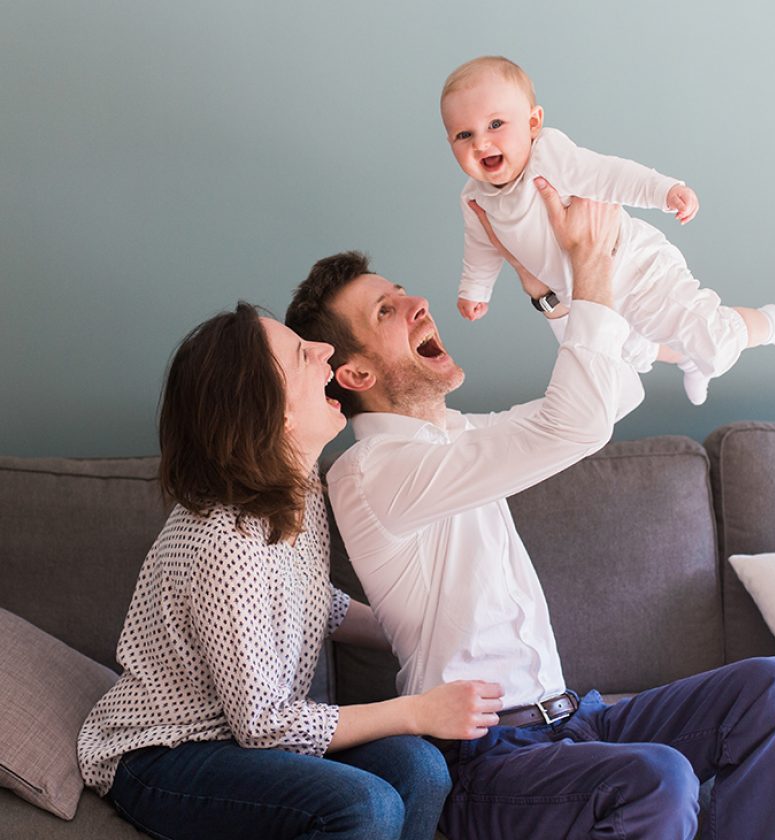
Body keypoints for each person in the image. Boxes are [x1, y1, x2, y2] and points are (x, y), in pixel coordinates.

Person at [285, 184, 775, 840]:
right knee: (657, 779)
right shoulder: (374, 473)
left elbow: (613, 395)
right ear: (355, 375)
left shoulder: (461, 436)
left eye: (404, 291)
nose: (418, 303)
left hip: (574, 721)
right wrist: (588, 266)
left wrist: (546, 290)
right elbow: (575, 426)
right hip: (485, 759)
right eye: (388, 310)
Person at [77, 302, 506, 840]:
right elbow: (265, 726)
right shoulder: (222, 544)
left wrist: (421, 628)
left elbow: (312, 602)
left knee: (418, 767)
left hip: (241, 738)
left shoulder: (300, 488)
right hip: (167, 754)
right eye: (305, 354)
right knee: (365, 806)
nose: (325, 349)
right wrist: (416, 711)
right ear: (271, 410)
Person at [441, 54, 775, 405]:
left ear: (533, 123)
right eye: (463, 134)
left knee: (713, 342)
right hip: (586, 295)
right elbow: (481, 247)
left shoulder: (549, 158)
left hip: (635, 270)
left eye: (495, 125)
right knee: (636, 355)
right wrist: (475, 290)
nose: (480, 143)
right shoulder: (474, 198)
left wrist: (664, 191)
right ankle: (691, 362)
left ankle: (771, 323)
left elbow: (610, 175)